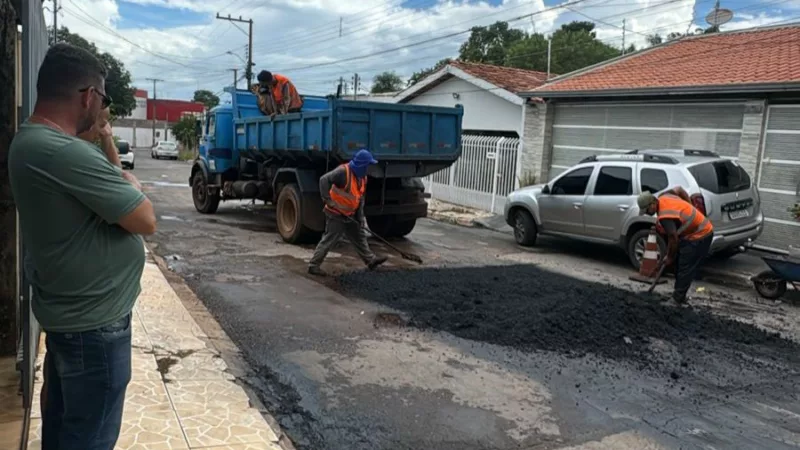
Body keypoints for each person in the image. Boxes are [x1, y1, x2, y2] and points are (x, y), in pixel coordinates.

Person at [8, 43, 157, 450]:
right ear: (88, 95)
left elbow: (114, 183)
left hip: (73, 320)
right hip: (94, 329)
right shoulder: (64, 152)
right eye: (104, 100)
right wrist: (130, 186)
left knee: (64, 428)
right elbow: (145, 218)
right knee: (89, 438)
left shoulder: (34, 143)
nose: (103, 111)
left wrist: (109, 148)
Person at [308, 149, 388, 276]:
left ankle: (370, 260)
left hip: (350, 214)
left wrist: (360, 218)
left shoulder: (363, 178)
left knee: (359, 236)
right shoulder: (343, 172)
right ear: (361, 165)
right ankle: (313, 265)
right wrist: (328, 200)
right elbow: (323, 180)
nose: (369, 168)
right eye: (368, 165)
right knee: (330, 239)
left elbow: (360, 199)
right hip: (335, 213)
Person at [638, 187, 714, 304]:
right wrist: (690, 206)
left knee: (685, 266)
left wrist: (669, 257)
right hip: (694, 233)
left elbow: (673, 237)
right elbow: (679, 190)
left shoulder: (665, 216)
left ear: (652, 203)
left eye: (647, 210)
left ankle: (677, 299)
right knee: (679, 263)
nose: (647, 213)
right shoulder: (665, 195)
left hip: (701, 234)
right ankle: (679, 295)